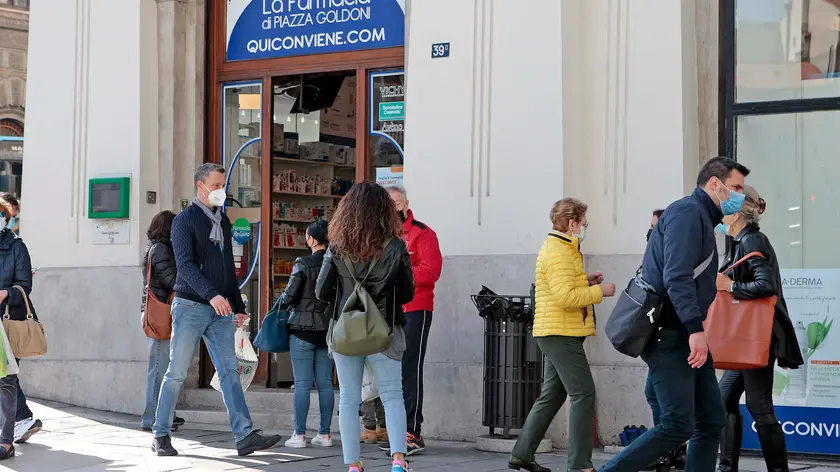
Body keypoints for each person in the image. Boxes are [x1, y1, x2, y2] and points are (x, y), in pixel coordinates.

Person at [600, 157, 749, 472]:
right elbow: (677, 276)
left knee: (710, 419)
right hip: (671, 333)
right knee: (678, 424)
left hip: (685, 333)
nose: (740, 195)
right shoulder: (687, 213)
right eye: (735, 187)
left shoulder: (703, 219)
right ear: (714, 184)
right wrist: (696, 331)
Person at [152, 163, 281, 457]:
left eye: (224, 184)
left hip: (219, 308)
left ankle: (245, 435)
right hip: (190, 306)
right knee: (176, 372)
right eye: (217, 184)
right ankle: (160, 434)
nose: (223, 190)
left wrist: (237, 305)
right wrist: (212, 296)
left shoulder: (222, 221)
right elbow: (184, 265)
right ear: (201, 186)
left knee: (230, 372)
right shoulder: (184, 221)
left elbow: (226, 268)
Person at [509, 198, 616, 472]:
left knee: (553, 394)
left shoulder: (563, 248)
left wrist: (586, 281)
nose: (583, 227)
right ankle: (580, 465)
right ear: (571, 223)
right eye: (582, 222)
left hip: (557, 330)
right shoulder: (559, 251)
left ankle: (522, 453)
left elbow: (563, 287)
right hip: (560, 332)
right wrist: (598, 292)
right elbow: (565, 296)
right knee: (583, 393)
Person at [315, 181, 415, 472]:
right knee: (393, 394)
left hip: (346, 331)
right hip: (384, 330)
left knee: (348, 397)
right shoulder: (395, 246)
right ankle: (398, 461)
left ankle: (353, 465)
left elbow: (322, 290)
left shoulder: (336, 246)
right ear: (385, 211)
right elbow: (407, 292)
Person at [715, 187, 802, 472]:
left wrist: (730, 286)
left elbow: (765, 285)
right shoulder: (741, 240)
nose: (720, 212)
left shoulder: (752, 240)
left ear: (737, 213)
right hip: (747, 338)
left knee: (759, 405)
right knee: (723, 400)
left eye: (725, 207)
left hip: (758, 337)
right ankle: (727, 467)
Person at [385, 186, 442, 455]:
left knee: (410, 369)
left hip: (415, 309)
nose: (395, 208)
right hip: (388, 311)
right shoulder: (382, 235)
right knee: (391, 373)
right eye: (390, 204)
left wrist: (399, 276)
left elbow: (431, 272)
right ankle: (396, 430)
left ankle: (412, 431)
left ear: (407, 203)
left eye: (398, 203)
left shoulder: (423, 233)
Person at [279, 219, 335, 449]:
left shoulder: (302, 262)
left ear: (311, 239)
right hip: (326, 331)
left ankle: (299, 435)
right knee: (325, 384)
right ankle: (325, 434)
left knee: (302, 384)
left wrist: (279, 303)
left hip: (302, 330)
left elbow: (289, 296)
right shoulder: (336, 263)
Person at [0, 193, 41, 445]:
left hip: (7, 322)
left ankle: (5, 440)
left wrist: (6, 293)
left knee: (5, 379)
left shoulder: (17, 246)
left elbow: (24, 285)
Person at [140, 211, 185, 432]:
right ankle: (152, 419)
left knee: (162, 367)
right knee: (158, 368)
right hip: (160, 315)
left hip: (159, 313)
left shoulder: (158, 248)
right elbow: (172, 280)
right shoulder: (160, 250)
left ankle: (165, 414)